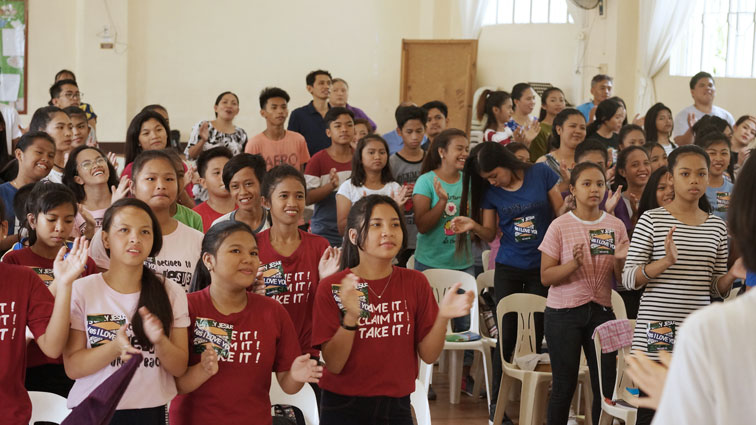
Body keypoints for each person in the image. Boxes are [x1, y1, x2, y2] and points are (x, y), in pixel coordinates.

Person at [312, 195, 473, 424]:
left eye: (395, 224)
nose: (388, 231)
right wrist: (351, 317)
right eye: (376, 224)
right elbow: (335, 364)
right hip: (343, 404)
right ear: (354, 235)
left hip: (396, 403)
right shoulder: (335, 286)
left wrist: (443, 317)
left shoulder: (415, 282)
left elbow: (428, 354)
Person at [621, 145, 740, 424]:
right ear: (671, 177)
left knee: (690, 414)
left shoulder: (717, 227)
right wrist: (664, 262)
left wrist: (733, 274)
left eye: (701, 174)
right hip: (655, 332)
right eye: (685, 174)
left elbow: (714, 289)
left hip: (695, 334)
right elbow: (628, 279)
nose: (695, 181)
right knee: (651, 414)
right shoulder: (652, 219)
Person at [169, 221, 323, 425]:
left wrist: (296, 375)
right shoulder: (186, 308)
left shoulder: (273, 311)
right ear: (209, 260)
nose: (248, 259)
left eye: (253, 253)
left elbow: (288, 385)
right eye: (235, 251)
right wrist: (202, 371)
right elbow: (175, 385)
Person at [450, 141, 563, 417]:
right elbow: (490, 234)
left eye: (494, 175)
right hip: (509, 267)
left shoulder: (540, 173)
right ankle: (496, 405)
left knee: (535, 333)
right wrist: (473, 225)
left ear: (505, 163)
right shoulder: (491, 192)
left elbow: (560, 213)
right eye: (487, 179)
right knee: (507, 334)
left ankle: (530, 402)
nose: (493, 182)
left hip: (542, 264)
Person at [63, 198, 189, 424]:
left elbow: (179, 367)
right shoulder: (83, 289)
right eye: (124, 230)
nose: (135, 239)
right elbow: (73, 367)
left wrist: (160, 341)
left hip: (150, 411)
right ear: (105, 239)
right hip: (93, 410)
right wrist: (115, 348)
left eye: (144, 232)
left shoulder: (171, 292)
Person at [539, 162, 630, 424]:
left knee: (606, 387)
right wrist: (574, 265)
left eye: (600, 184)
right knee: (564, 386)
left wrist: (620, 260)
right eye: (587, 184)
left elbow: (620, 278)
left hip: (602, 312)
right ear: (573, 190)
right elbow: (546, 277)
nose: (594, 189)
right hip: (562, 314)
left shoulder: (615, 226)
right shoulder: (559, 225)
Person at [2, 183, 98, 396]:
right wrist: (60, 283)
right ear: (33, 220)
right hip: (28, 362)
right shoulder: (14, 260)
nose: (60, 227)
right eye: (52, 219)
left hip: (72, 360)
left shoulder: (83, 261)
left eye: (68, 220)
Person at [89, 151, 204, 292]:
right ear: (132, 186)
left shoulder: (196, 239)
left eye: (169, 179)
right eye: (151, 179)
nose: (161, 185)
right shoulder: (111, 235)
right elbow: (99, 291)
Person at [256, 165, 339, 358]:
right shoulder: (253, 247)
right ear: (266, 202)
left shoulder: (320, 246)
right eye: (284, 196)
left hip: (309, 352)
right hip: (265, 352)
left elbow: (330, 306)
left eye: (299, 196)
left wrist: (326, 282)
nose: (292, 202)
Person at [413, 128, 473, 273]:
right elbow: (422, 226)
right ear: (442, 152)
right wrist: (442, 202)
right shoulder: (425, 181)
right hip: (430, 263)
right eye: (459, 149)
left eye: (466, 149)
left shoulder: (469, 181)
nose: (465, 153)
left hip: (463, 264)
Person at [336, 135, 408, 235]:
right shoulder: (348, 187)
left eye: (382, 152)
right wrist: (363, 211)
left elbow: (400, 226)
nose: (377, 157)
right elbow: (341, 229)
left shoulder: (394, 187)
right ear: (360, 157)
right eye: (371, 152)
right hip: (357, 247)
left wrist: (396, 208)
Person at [305, 107, 355, 246]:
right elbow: (307, 198)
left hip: (355, 232)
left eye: (349, 125)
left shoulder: (361, 158)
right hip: (324, 232)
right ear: (328, 132)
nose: (344, 129)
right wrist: (330, 186)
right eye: (338, 126)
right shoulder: (317, 160)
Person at [0, 132, 56, 250]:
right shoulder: (2, 193)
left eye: (51, 155)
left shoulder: (54, 195)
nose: (45, 159)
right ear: (19, 154)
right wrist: (26, 235)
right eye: (39, 152)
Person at [389, 106, 427, 267]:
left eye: (419, 131)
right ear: (399, 131)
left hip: (425, 237)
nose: (415, 136)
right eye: (409, 131)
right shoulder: (392, 162)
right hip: (402, 236)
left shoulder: (430, 161)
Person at [62, 145, 124, 236]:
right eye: (86, 164)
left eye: (100, 160)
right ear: (78, 179)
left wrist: (117, 208)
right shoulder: (74, 211)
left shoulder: (124, 200)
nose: (96, 165)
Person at [245, 87, 310, 172]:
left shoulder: (298, 139)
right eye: (274, 107)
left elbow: (302, 173)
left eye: (283, 107)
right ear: (263, 113)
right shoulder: (254, 144)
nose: (280, 111)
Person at [210, 153, 270, 234]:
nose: (243, 192)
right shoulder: (219, 227)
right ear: (229, 190)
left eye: (248, 184)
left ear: (262, 183)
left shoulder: (278, 221)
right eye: (235, 186)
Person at [673, 72, 735, 146]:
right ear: (692, 92)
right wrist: (692, 129)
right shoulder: (683, 116)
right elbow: (680, 144)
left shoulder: (726, 115)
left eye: (710, 85)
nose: (707, 88)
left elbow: (733, 141)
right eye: (702, 85)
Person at [185, 91, 247, 160]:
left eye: (234, 103)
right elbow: (190, 156)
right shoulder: (203, 126)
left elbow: (243, 161)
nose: (229, 106)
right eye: (225, 102)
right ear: (215, 108)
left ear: (237, 111)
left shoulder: (241, 134)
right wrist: (203, 140)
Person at [537, 108, 587, 192]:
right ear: (559, 129)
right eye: (573, 126)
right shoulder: (544, 163)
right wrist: (566, 183)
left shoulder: (590, 160)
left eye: (582, 128)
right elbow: (538, 197)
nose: (578, 131)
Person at [288, 69, 332, 156]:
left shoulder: (338, 114)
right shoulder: (298, 115)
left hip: (336, 165)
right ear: (309, 88)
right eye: (321, 83)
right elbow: (291, 145)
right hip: (308, 166)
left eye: (329, 83)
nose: (327, 86)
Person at [192, 147, 236, 232]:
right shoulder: (194, 217)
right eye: (217, 173)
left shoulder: (247, 208)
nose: (224, 177)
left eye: (228, 170)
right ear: (203, 182)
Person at [28, 106, 73, 184]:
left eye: (70, 127)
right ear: (42, 131)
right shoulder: (36, 173)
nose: (68, 133)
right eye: (60, 127)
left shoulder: (74, 168)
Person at [696, 132, 733, 221]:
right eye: (712, 153)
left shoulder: (734, 190)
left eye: (724, 153)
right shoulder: (694, 187)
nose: (719, 158)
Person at [531, 87, 566, 161]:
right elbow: (537, 159)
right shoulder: (539, 129)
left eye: (561, 100)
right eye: (553, 100)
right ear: (544, 105)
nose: (558, 103)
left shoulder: (566, 127)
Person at [508, 83, 542, 147]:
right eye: (528, 99)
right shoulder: (507, 123)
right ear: (516, 101)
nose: (532, 102)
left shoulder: (536, 121)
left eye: (533, 98)